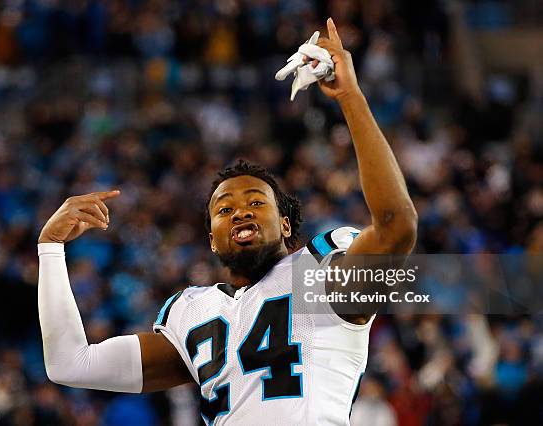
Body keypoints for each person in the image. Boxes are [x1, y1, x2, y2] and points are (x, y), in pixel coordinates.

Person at [37, 18, 417, 425]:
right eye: (223, 208)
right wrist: (50, 248)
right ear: (213, 240)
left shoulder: (317, 278)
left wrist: (350, 97)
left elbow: (397, 227)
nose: (240, 210)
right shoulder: (193, 313)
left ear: (286, 225)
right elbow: (70, 364)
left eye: (257, 201)